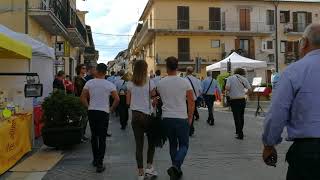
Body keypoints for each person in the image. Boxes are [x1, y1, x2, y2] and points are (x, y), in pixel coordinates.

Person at [262, 24, 320, 180]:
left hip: (309, 153)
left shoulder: (294, 71)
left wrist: (269, 144)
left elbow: (277, 113)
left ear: (305, 43)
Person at [157, 57, 194, 180]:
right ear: (177, 67)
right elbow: (191, 102)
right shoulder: (184, 82)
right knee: (184, 145)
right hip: (181, 117)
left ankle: (176, 169)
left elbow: (155, 95)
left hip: (166, 118)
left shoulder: (161, 82)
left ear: (166, 67)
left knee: (173, 144)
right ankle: (176, 166)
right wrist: (190, 117)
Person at [80, 63, 120, 173]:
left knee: (94, 136)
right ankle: (100, 163)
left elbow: (82, 97)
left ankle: (95, 159)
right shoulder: (109, 85)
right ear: (105, 72)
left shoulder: (89, 82)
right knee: (102, 137)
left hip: (92, 111)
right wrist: (111, 109)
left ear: (97, 70)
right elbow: (117, 99)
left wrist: (88, 107)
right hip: (103, 112)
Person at [126, 60, 158, 180]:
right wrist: (154, 100)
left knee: (139, 145)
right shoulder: (150, 82)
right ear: (145, 69)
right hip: (148, 116)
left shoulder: (130, 83)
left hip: (135, 116)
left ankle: (140, 173)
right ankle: (149, 167)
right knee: (151, 143)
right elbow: (154, 98)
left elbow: (128, 102)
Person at [225, 68, 251, 140]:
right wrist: (244, 93)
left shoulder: (230, 78)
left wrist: (229, 91)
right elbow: (250, 89)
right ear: (242, 72)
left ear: (235, 72)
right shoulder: (244, 79)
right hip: (242, 99)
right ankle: (239, 131)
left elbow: (227, 88)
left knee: (236, 117)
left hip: (234, 100)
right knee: (241, 116)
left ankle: (240, 134)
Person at [185, 66, 202, 136]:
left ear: (186, 71)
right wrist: (196, 96)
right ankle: (191, 129)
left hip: (186, 100)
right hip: (194, 100)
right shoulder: (196, 80)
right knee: (191, 114)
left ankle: (187, 129)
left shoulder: (184, 79)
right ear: (192, 72)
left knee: (186, 115)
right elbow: (201, 90)